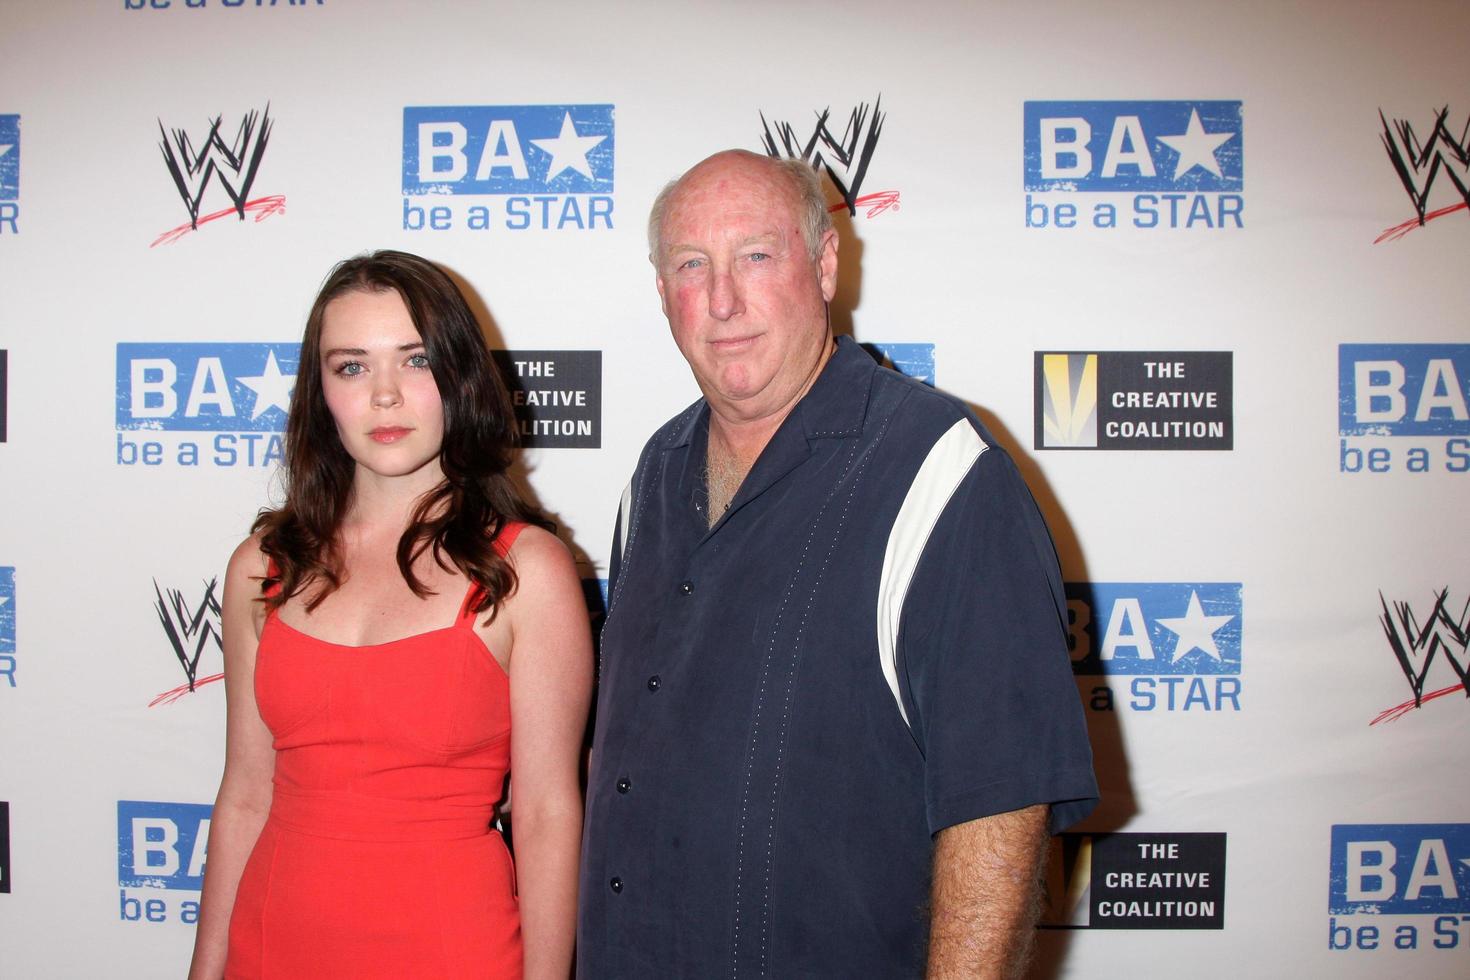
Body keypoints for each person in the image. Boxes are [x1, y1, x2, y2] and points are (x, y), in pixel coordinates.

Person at [578, 151, 1098, 978]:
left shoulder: (942, 472)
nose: (722, 299)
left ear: (824, 266)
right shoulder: (655, 471)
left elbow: (999, 801)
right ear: (661, 293)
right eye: (691, 265)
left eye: (755, 255)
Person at [189, 250, 592, 980]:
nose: (383, 396)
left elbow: (544, 814)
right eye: (351, 367)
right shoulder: (262, 565)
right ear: (321, 393)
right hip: (271, 940)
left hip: (451, 947)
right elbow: (245, 794)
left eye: (413, 361)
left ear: (459, 376)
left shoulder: (526, 571)